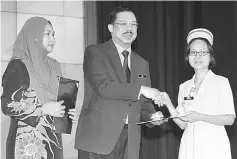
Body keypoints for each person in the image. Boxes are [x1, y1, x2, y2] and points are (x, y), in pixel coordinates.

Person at [75, 6, 165, 159]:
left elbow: (143, 103)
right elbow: (104, 86)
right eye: (123, 23)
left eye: (133, 24)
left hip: (130, 141)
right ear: (111, 27)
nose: (129, 28)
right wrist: (141, 89)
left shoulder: (142, 63)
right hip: (98, 138)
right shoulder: (95, 52)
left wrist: (151, 116)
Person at [1, 17, 78, 159]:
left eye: (53, 34)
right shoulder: (18, 65)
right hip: (26, 145)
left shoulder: (55, 66)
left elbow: (62, 111)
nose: (52, 39)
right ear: (34, 36)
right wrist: (42, 109)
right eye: (47, 34)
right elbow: (7, 105)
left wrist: (68, 113)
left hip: (53, 144)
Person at [161, 28, 236, 159]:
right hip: (188, 148)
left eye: (202, 52)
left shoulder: (221, 82)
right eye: (193, 52)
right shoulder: (184, 86)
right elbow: (183, 124)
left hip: (214, 147)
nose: (198, 56)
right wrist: (168, 104)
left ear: (210, 55)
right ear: (187, 56)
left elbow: (229, 119)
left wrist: (200, 116)